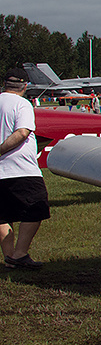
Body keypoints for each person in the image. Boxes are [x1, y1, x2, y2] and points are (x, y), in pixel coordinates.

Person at [0, 68, 49, 269]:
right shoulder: (22, 104)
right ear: (25, 86)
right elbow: (22, 132)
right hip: (21, 169)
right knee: (37, 207)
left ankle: (9, 256)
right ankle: (20, 253)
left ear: (4, 83)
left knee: (2, 214)